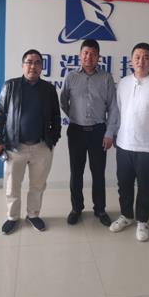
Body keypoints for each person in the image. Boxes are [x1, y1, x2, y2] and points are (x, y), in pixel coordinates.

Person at [0, 49, 61, 235]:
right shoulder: (11, 86)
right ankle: (12, 217)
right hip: (15, 146)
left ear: (42, 67)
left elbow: (56, 116)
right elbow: (0, 114)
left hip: (41, 146)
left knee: (38, 185)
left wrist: (53, 139)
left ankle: (33, 214)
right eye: (29, 62)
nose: (33, 66)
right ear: (23, 65)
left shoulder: (48, 89)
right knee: (12, 185)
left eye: (37, 62)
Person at [109, 42, 149, 241]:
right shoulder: (123, 83)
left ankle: (142, 221)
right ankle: (126, 215)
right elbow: (117, 112)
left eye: (146, 57)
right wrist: (115, 134)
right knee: (124, 184)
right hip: (124, 144)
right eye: (137, 57)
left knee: (145, 186)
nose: (141, 61)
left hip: (148, 147)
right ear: (131, 60)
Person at [60, 39, 118, 226]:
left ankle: (100, 209)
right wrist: (75, 116)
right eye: (85, 53)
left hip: (98, 132)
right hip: (76, 131)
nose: (89, 57)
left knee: (98, 173)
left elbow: (113, 107)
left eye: (93, 54)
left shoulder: (106, 78)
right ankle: (76, 208)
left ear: (98, 57)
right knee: (76, 172)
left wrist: (109, 133)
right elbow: (63, 101)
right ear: (80, 55)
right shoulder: (71, 77)